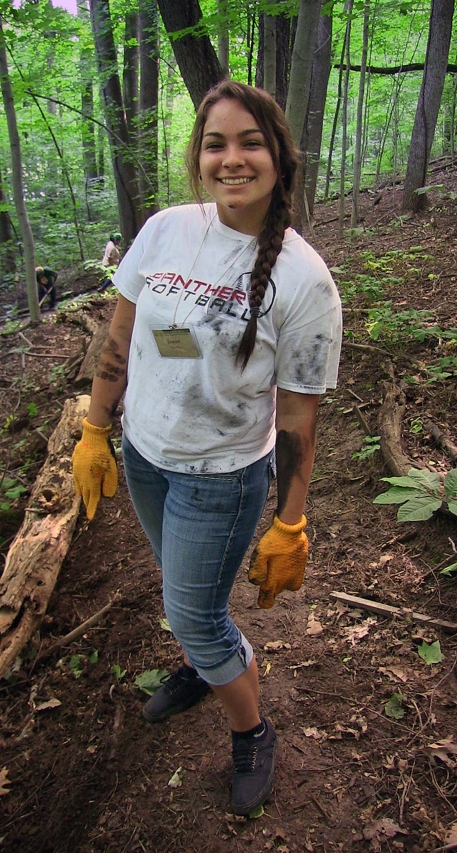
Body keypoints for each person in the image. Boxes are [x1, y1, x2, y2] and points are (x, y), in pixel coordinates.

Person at [72, 80, 342, 816]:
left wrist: (290, 522)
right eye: (216, 143)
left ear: (278, 157)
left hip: (219, 479)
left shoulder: (304, 280)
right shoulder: (165, 229)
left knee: (194, 612)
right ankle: (202, 658)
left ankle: (252, 729)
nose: (232, 159)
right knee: (180, 587)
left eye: (250, 142)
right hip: (145, 457)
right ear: (198, 155)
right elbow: (127, 336)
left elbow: (296, 419)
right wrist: (97, 428)